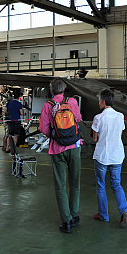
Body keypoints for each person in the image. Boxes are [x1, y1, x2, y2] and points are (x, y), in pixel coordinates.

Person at [39, 78, 82, 233]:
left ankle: (67, 221)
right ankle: (75, 215)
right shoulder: (72, 101)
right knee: (75, 183)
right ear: (64, 90)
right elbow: (78, 119)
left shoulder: (47, 106)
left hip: (58, 149)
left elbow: (43, 128)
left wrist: (55, 134)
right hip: (75, 146)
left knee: (60, 186)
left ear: (51, 91)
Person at [91, 89, 127, 228]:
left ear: (103, 102)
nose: (99, 102)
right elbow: (119, 135)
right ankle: (124, 211)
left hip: (102, 155)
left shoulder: (98, 118)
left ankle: (103, 215)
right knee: (116, 184)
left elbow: (95, 138)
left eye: (99, 100)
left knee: (101, 185)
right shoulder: (120, 116)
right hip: (117, 155)